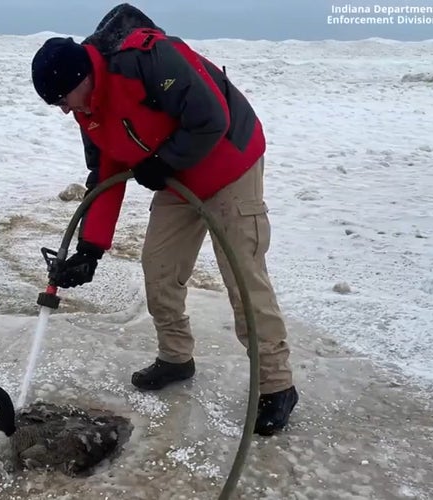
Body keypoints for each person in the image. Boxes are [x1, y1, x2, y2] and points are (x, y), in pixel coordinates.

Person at [30, 4, 298, 436]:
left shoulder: (147, 60)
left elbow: (212, 118)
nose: (63, 111)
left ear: (81, 78)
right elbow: (106, 177)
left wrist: (162, 162)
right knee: (159, 267)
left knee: (242, 277)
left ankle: (277, 385)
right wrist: (90, 251)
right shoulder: (88, 111)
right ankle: (176, 357)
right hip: (177, 177)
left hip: (230, 163)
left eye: (62, 99)